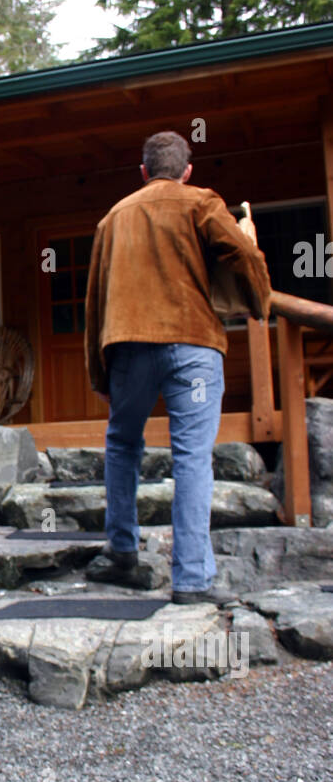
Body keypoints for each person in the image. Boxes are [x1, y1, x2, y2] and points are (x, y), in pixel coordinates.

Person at [83, 130, 272, 603]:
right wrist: (258, 301)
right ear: (187, 170)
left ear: (143, 171)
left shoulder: (113, 218)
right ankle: (191, 580)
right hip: (194, 346)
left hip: (128, 347)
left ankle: (123, 551)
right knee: (191, 456)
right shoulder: (202, 202)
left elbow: (93, 302)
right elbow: (244, 253)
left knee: (124, 444)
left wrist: (97, 373)